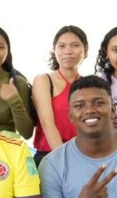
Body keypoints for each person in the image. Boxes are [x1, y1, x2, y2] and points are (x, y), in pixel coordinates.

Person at [31, 25, 87, 166]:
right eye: (62, 46)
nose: (68, 51)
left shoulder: (88, 84)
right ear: (54, 50)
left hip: (84, 156)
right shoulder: (43, 80)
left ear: (85, 51)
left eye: (75, 45)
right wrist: (68, 164)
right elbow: (47, 124)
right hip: (50, 157)